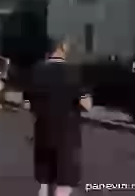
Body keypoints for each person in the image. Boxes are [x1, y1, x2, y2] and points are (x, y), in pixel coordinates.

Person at [26, 37, 93, 196]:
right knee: (64, 181)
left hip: (43, 132)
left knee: (44, 180)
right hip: (66, 136)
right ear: (62, 48)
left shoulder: (36, 71)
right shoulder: (72, 72)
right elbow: (87, 105)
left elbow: (27, 104)